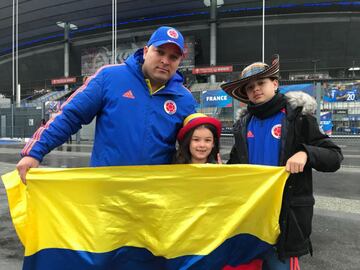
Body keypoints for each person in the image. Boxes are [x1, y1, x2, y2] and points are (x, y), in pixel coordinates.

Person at [17, 26, 196, 183]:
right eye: (160, 52)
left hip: (154, 194)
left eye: (173, 57)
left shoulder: (184, 99)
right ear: (146, 51)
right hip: (106, 190)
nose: (165, 61)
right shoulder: (109, 77)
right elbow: (71, 116)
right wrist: (34, 152)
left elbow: (198, 140)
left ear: (179, 62)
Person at [221, 55, 343, 270]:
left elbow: (334, 156)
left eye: (261, 83)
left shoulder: (298, 118)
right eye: (250, 87)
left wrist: (305, 154)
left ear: (275, 84)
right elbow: (234, 167)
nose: (256, 89)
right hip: (252, 220)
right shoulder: (242, 125)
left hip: (286, 222)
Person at [174, 113, 263, 270]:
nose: (202, 145)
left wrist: (223, 180)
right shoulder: (173, 171)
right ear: (188, 141)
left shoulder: (222, 170)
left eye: (208, 140)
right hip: (184, 237)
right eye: (196, 139)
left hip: (212, 237)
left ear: (214, 143)